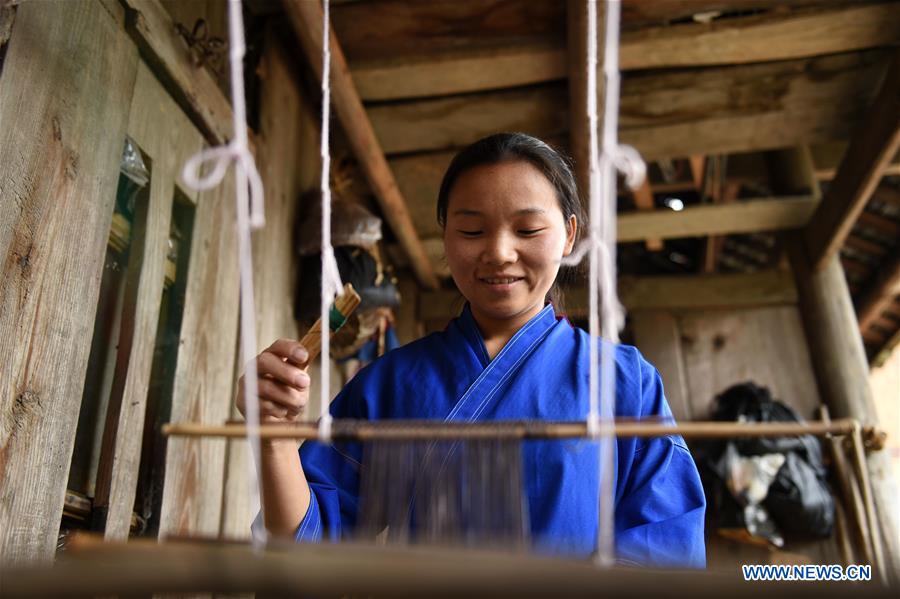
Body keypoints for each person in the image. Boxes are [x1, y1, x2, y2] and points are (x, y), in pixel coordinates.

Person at [237, 132, 706, 568]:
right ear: (445, 236)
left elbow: (666, 551)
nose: (499, 252)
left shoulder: (625, 382)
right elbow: (308, 551)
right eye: (472, 231)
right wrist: (276, 440)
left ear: (568, 235)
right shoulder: (388, 384)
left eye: (526, 230)